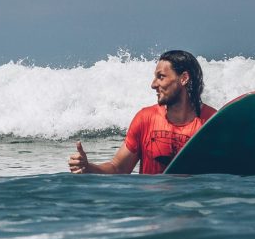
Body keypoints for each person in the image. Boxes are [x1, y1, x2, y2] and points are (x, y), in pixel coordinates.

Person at [68, 50, 217, 175]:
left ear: (184, 78)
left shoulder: (211, 122)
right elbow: (119, 168)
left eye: (161, 77)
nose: (153, 84)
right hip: (151, 205)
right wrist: (88, 168)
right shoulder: (145, 119)